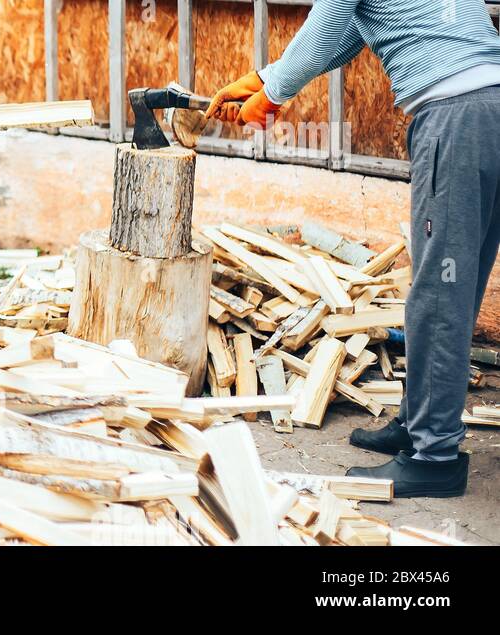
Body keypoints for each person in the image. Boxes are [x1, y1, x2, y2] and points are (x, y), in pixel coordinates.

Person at [206, 0, 500, 498]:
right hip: (486, 105)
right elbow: (350, 35)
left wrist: (272, 96)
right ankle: (418, 423)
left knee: (438, 294)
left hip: (454, 118)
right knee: (454, 283)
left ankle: (434, 459)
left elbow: (325, 30)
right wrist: (263, 75)